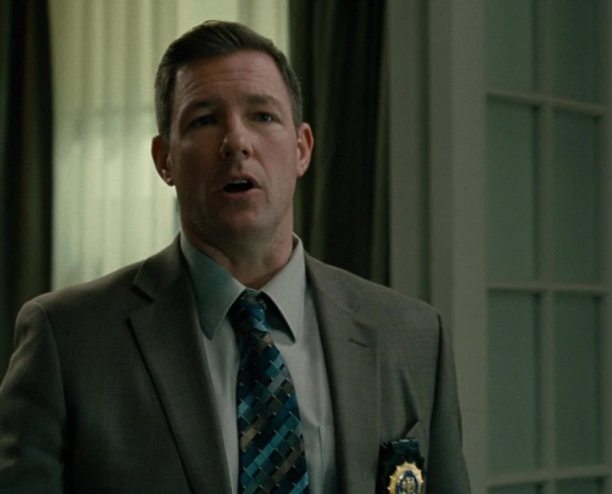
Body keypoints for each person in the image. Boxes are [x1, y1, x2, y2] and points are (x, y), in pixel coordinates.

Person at [0, 21, 469, 493]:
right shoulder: (69, 339)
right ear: (164, 159)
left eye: (262, 116)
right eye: (204, 120)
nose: (236, 142)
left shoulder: (411, 337)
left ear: (302, 148)